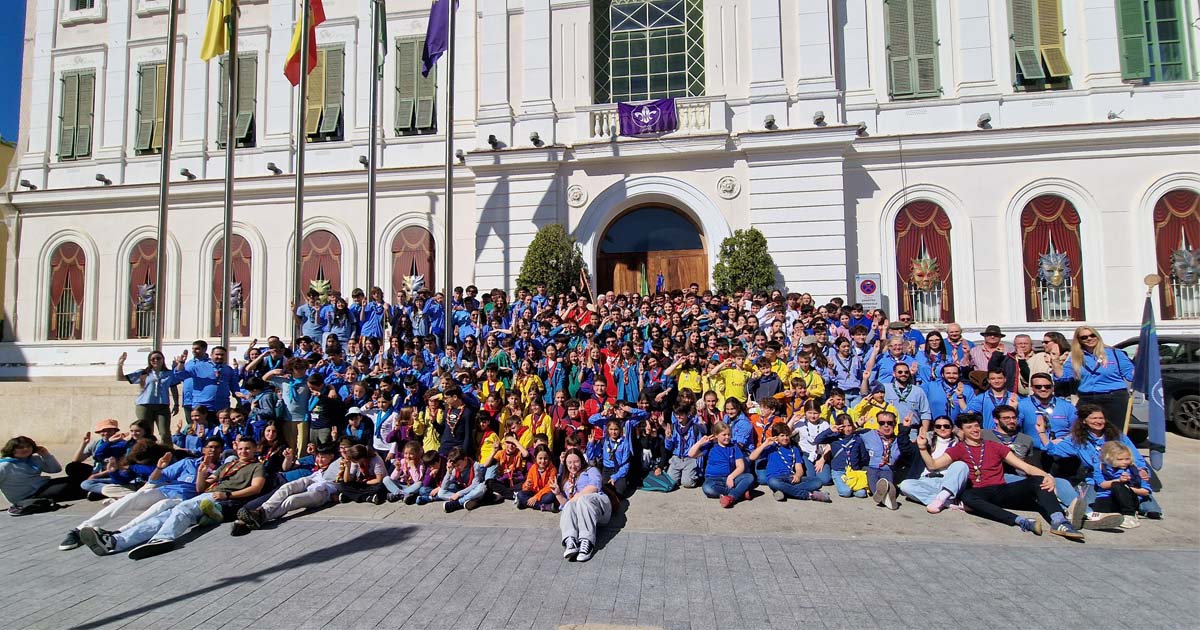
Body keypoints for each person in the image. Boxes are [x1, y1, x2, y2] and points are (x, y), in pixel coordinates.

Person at [80, 436, 267, 559]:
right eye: (241, 449)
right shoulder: (227, 466)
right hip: (207, 495)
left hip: (221, 499)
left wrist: (228, 494)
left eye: (247, 449)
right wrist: (201, 474)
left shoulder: (257, 467)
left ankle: (163, 538)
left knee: (181, 509)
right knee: (164, 516)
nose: (243, 452)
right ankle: (117, 542)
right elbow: (201, 487)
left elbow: (256, 488)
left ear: (255, 450)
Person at [920, 414, 1084, 540]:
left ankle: (1059, 521)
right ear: (961, 431)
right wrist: (922, 448)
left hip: (1001, 490)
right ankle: (1021, 521)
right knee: (967, 497)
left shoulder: (995, 446)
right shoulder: (959, 449)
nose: (975, 430)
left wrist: (1047, 476)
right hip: (979, 494)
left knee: (1038, 481)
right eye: (969, 427)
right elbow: (933, 465)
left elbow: (1025, 467)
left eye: (977, 426)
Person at [59, 438, 222, 550]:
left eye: (216, 447)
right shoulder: (188, 463)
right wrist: (159, 467)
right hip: (166, 491)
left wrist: (203, 473)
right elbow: (156, 479)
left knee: (162, 505)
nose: (212, 450)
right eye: (210, 447)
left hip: (184, 500)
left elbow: (202, 490)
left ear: (221, 450)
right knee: (133, 497)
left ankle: (118, 533)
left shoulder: (221, 469)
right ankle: (80, 529)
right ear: (203, 449)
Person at [1039, 404, 1162, 520]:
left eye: (1101, 418)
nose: (1098, 421)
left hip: (1125, 478)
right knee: (1091, 507)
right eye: (1094, 418)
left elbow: (1136, 456)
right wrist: (1042, 433)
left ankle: (1135, 507)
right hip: (1097, 480)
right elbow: (1053, 450)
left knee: (1152, 510)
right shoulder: (1076, 439)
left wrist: (1142, 470)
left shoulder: (1118, 436)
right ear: (1084, 421)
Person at [232, 443, 340, 535]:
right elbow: (288, 468)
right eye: (318, 456)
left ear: (332, 456)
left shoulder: (337, 466)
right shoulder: (314, 464)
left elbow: (345, 483)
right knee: (288, 487)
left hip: (321, 491)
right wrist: (289, 458)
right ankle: (261, 513)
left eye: (323, 457)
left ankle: (259, 516)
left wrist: (339, 496)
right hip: (299, 481)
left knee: (292, 500)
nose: (319, 460)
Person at [1056, 327, 1135, 429]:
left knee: (1113, 431)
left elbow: (1130, 375)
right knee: (1082, 430)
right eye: (1084, 337)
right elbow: (1063, 377)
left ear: (1097, 336)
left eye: (1092, 335)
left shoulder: (1115, 353)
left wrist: (1142, 360)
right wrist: (1055, 361)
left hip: (1114, 397)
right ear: (1079, 340)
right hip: (1087, 398)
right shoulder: (1075, 357)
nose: (1089, 338)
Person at [2, 436, 92, 515]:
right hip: (30, 495)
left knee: (73, 474)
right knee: (69, 487)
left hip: (44, 485)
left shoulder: (33, 459)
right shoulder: (4, 466)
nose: (26, 449)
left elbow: (55, 469)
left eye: (28, 446)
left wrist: (46, 455)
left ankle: (95, 486)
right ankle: (93, 490)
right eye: (20, 447)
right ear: (11, 449)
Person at [898, 417, 969, 512]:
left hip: (948, 482)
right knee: (905, 485)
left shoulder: (959, 445)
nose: (942, 428)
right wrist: (905, 429)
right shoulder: (926, 442)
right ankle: (945, 502)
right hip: (927, 480)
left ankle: (943, 496)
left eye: (946, 426)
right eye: (938, 426)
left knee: (961, 465)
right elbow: (906, 450)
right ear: (934, 429)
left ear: (952, 428)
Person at [749, 422, 830, 502]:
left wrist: (798, 475)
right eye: (782, 435)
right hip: (776, 478)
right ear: (776, 437)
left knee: (817, 482)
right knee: (773, 482)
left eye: (787, 435)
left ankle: (784, 491)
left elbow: (799, 467)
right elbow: (752, 457)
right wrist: (765, 444)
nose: (785, 438)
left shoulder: (794, 449)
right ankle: (809, 495)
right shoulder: (771, 448)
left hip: (790, 478)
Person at [555, 447, 610, 562]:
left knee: (582, 499)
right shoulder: (566, 480)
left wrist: (573, 499)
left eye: (576, 462)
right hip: (581, 514)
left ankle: (587, 541)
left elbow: (594, 487)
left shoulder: (591, 470)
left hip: (598, 507)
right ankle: (571, 540)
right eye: (569, 462)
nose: (573, 466)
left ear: (582, 460)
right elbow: (567, 507)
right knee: (570, 505)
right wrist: (558, 494)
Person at [117, 351, 180, 445]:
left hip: (162, 405)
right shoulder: (143, 373)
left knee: (165, 433)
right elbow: (120, 378)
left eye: (158, 358)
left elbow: (173, 387)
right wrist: (120, 364)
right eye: (153, 359)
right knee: (146, 432)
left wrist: (176, 403)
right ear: (149, 361)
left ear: (163, 360)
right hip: (144, 405)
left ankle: (168, 451)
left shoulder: (169, 373)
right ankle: (146, 451)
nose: (156, 360)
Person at [689, 422, 755, 509]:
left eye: (729, 434)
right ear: (716, 435)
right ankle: (739, 493)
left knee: (749, 477)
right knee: (707, 488)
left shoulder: (734, 447)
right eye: (724, 435)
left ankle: (731, 497)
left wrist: (731, 477)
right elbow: (691, 454)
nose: (727, 437)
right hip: (714, 480)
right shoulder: (710, 446)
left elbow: (741, 466)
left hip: (730, 480)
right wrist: (700, 442)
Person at [1093, 441, 1151, 529]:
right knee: (1100, 508)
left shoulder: (1134, 470)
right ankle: (1106, 517)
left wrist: (1127, 487)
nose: (1124, 462)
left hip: (1129, 499)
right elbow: (1102, 485)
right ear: (1109, 459)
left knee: (1117, 485)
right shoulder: (1100, 467)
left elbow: (1146, 491)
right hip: (1107, 496)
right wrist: (1118, 480)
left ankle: (1129, 514)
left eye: (1127, 459)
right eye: (1120, 459)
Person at [814, 414, 870, 498]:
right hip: (839, 471)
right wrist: (830, 430)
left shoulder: (857, 439)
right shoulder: (834, 438)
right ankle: (847, 487)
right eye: (844, 426)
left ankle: (851, 486)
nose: (847, 429)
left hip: (853, 471)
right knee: (846, 492)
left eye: (849, 425)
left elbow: (863, 456)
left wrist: (859, 468)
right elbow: (817, 440)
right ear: (839, 426)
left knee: (861, 493)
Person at [431, 446, 492, 512]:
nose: (457, 467)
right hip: (466, 492)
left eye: (458, 465)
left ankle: (458, 503)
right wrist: (449, 472)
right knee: (441, 493)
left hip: (474, 491)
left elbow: (474, 485)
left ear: (465, 459)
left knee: (482, 487)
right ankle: (468, 501)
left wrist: (458, 494)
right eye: (455, 466)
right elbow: (444, 487)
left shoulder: (475, 466)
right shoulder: (455, 469)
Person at [517, 446, 559, 512]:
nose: (543, 461)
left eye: (545, 458)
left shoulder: (553, 469)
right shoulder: (533, 467)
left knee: (551, 496)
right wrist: (527, 486)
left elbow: (549, 487)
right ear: (535, 458)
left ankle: (525, 503)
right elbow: (527, 483)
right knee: (520, 494)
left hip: (544, 494)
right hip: (534, 492)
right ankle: (543, 507)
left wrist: (536, 497)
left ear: (549, 458)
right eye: (540, 458)